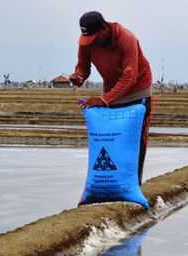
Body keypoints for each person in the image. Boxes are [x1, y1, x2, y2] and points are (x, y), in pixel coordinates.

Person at [69, 11, 154, 184]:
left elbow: (129, 76)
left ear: (104, 29)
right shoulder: (87, 41)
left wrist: (104, 100)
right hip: (112, 92)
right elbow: (83, 66)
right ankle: (112, 183)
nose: (91, 43)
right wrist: (79, 76)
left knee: (135, 143)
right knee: (112, 139)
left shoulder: (126, 38)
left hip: (138, 91)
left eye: (94, 38)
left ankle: (132, 186)